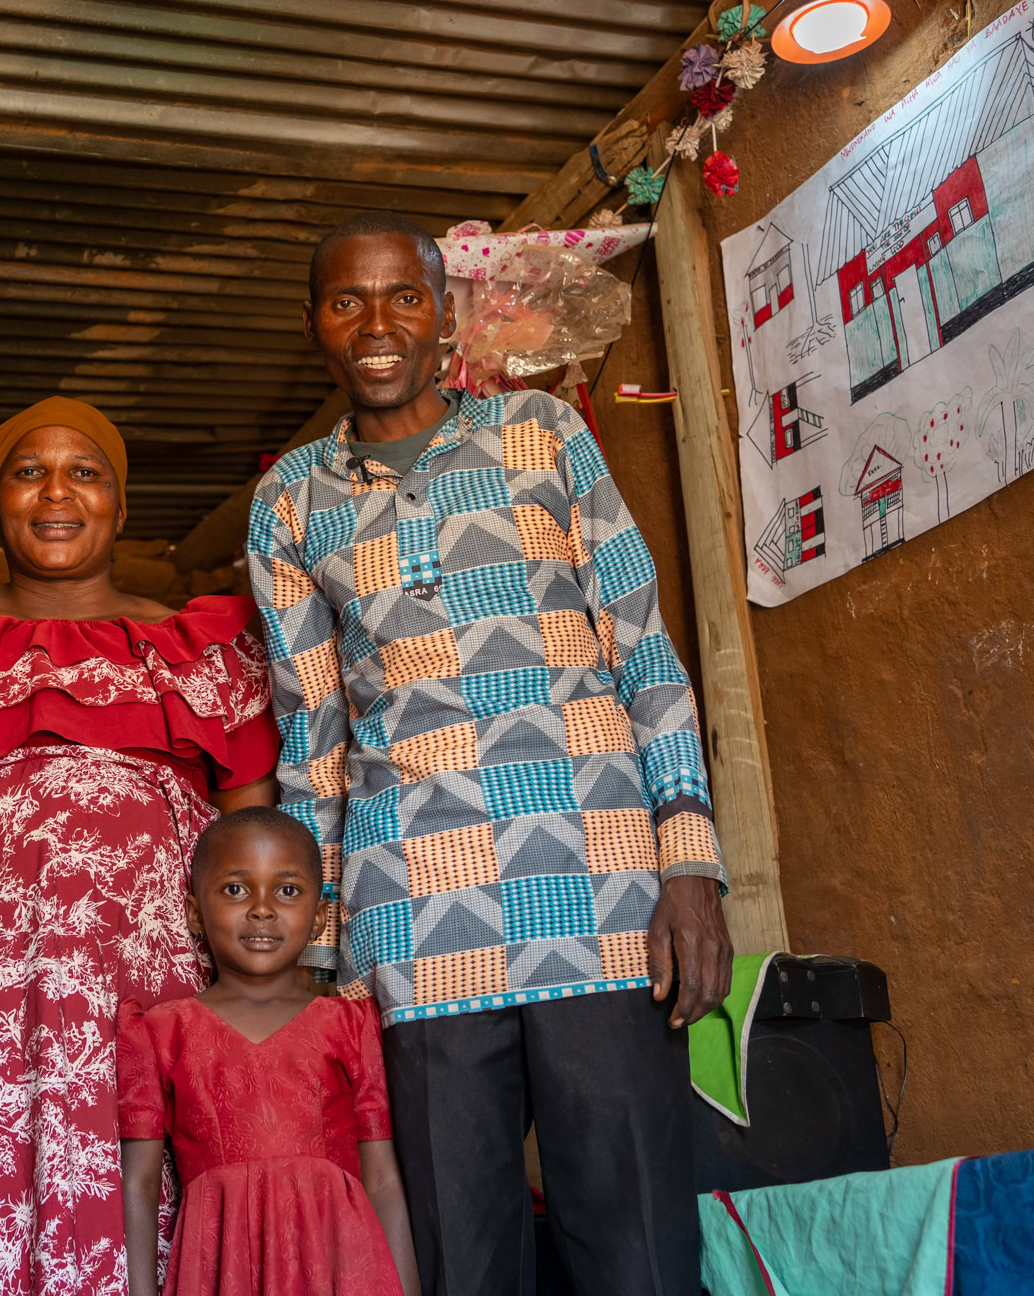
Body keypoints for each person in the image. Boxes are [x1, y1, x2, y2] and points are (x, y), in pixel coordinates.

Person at [246, 212, 732, 1296]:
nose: (376, 325)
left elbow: (642, 650)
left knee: (638, 1250)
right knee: (459, 1259)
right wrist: (319, 953)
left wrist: (689, 863)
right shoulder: (287, 501)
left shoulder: (542, 433)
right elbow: (311, 736)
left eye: (403, 298)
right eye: (346, 301)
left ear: (441, 314)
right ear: (315, 326)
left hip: (603, 892)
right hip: (416, 918)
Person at [0, 396, 281, 1296]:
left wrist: (120, 945)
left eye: (85, 472)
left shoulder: (202, 650)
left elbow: (253, 847)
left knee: (140, 1203)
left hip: (154, 1002)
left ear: (119, 501)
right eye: (30, 472)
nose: (57, 492)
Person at [119, 807, 417, 1296]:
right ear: (195, 912)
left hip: (341, 1262)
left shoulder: (351, 1022)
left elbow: (382, 1178)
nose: (262, 908)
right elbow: (140, 1184)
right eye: (236, 889)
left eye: (288, 890)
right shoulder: (159, 1031)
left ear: (320, 916)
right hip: (220, 1263)